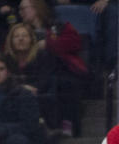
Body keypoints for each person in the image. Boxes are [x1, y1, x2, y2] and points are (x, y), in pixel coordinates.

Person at [18, 0, 89, 136]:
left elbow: (75, 43)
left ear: (36, 8)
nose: (20, 13)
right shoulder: (21, 30)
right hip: (33, 71)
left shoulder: (57, 26)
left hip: (62, 69)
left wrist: (49, 44)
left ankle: (67, 124)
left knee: (64, 83)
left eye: (23, 9)